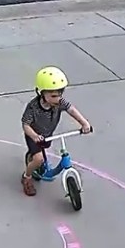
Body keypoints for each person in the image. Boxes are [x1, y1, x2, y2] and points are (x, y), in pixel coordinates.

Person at [21, 66, 91, 197]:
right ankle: (27, 177)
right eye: (53, 95)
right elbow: (25, 125)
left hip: (47, 135)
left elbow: (71, 110)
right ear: (41, 93)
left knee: (45, 152)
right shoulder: (33, 107)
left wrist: (84, 123)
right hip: (34, 136)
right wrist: (34, 136)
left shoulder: (59, 102)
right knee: (38, 159)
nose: (57, 99)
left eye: (60, 95)